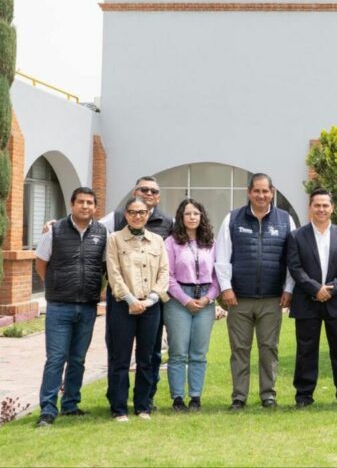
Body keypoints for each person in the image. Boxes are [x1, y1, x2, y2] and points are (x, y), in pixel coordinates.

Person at [215, 173, 295, 410]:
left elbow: (293, 259)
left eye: (266, 191)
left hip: (272, 299)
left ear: (272, 192)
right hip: (239, 298)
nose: (261, 195)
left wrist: (289, 289)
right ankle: (239, 397)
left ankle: (268, 395)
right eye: (257, 191)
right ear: (249, 192)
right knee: (240, 350)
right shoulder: (232, 219)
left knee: (269, 348)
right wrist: (226, 288)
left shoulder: (285, 220)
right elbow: (222, 257)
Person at [34, 188, 108, 428]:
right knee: (56, 358)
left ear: (95, 207)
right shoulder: (54, 230)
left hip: (87, 306)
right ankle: (47, 409)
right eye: (81, 202)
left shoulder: (102, 233)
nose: (85, 206)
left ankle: (70, 405)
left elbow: (106, 266)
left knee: (78, 359)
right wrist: (57, 286)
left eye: (89, 203)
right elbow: (41, 264)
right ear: (72, 204)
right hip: (59, 306)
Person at [99, 176, 173, 413]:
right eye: (133, 212)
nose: (138, 216)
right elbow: (114, 272)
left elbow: (164, 272)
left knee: (147, 358)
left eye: (142, 213)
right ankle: (119, 407)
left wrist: (150, 299)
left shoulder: (159, 239)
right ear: (127, 213)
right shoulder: (114, 238)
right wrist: (131, 300)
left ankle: (143, 406)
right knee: (120, 358)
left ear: (148, 215)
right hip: (123, 305)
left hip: (151, 306)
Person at [286, 188, 337, 407]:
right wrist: (315, 288)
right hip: (307, 300)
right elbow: (295, 268)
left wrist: (332, 288)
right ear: (310, 208)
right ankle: (304, 395)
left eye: (325, 205)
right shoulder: (297, 236)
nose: (321, 209)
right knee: (306, 350)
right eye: (317, 205)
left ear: (332, 208)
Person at [163, 198, 220, 413]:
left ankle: (195, 397)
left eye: (196, 213)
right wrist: (185, 300)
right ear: (181, 217)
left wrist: (208, 298)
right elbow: (167, 277)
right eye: (188, 214)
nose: (192, 217)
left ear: (202, 216)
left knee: (199, 352)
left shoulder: (211, 242)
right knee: (178, 352)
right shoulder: (171, 242)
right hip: (178, 300)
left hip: (205, 298)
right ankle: (178, 397)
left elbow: (217, 275)